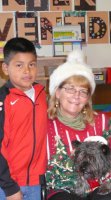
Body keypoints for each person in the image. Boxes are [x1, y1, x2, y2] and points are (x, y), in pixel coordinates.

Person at [45, 50, 111, 200]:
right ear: (57, 92)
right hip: (62, 189)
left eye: (83, 91)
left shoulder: (103, 122)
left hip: (102, 186)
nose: (76, 96)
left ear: (88, 98)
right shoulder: (44, 126)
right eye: (70, 89)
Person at [0, 37, 47, 200]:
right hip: (8, 186)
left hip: (36, 183)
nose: (27, 71)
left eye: (31, 64)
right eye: (19, 65)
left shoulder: (43, 95)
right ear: (5, 68)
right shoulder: (3, 100)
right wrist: (9, 187)